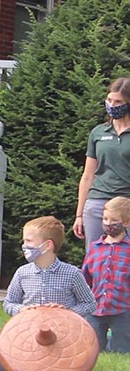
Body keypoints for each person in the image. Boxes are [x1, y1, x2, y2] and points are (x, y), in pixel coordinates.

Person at [0, 216, 96, 371]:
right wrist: (21, 310)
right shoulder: (22, 273)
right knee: (2, 370)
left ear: (47, 245)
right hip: (28, 334)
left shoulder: (72, 274)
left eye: (29, 241)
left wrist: (68, 313)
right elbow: (8, 303)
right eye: (24, 241)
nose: (24, 246)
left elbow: (90, 303)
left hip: (63, 336)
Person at [73, 78, 130, 252]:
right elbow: (88, 176)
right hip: (97, 202)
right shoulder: (98, 132)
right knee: (95, 255)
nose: (112, 105)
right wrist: (79, 214)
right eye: (109, 100)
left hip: (126, 203)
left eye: (118, 101)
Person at [81, 197, 130, 353]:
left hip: (122, 309)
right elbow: (86, 277)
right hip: (95, 309)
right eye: (105, 219)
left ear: (126, 222)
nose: (108, 223)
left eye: (114, 220)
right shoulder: (94, 248)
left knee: (122, 350)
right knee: (93, 349)